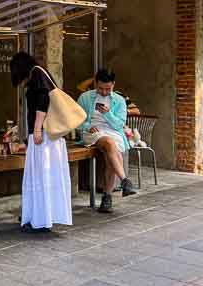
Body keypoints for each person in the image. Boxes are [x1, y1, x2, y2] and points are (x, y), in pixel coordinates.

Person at [10, 52, 72, 233]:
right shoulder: (40, 73)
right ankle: (41, 216)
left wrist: (37, 129)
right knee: (45, 176)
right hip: (48, 137)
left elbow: (43, 101)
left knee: (40, 175)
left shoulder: (37, 74)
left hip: (44, 137)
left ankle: (41, 219)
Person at [78, 69, 137, 213]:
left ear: (113, 85)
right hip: (92, 132)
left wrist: (107, 113)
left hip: (113, 131)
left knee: (110, 151)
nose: (104, 92)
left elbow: (119, 125)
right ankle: (124, 181)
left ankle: (107, 199)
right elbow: (76, 119)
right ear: (95, 84)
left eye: (108, 89)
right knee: (110, 144)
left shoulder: (119, 100)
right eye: (100, 88)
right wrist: (87, 126)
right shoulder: (85, 97)